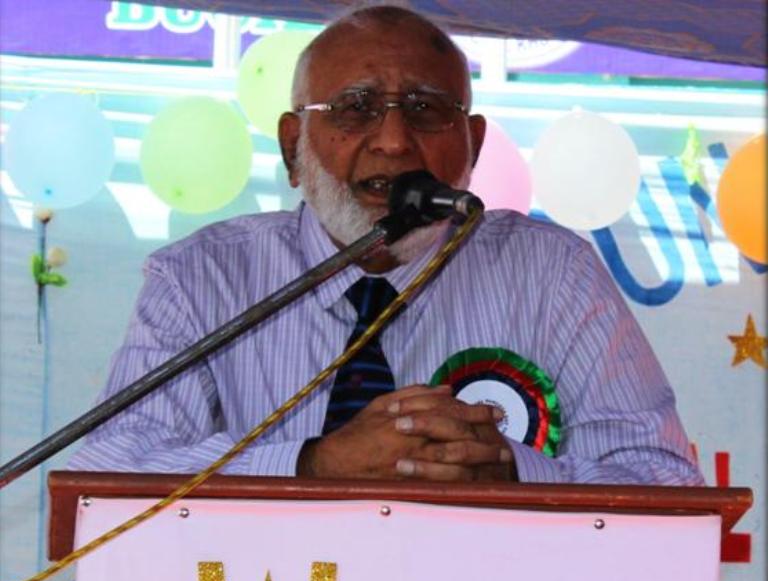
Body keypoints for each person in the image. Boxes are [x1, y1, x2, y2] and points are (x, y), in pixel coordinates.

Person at [69, 5, 703, 486]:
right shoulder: (202, 277)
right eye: (356, 107)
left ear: (474, 145)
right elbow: (110, 472)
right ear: (292, 146)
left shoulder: (553, 273)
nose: (395, 141)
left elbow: (666, 481)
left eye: (426, 109)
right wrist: (314, 464)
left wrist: (514, 473)